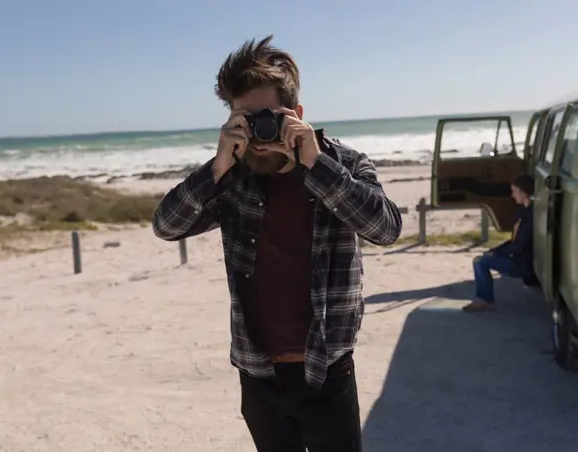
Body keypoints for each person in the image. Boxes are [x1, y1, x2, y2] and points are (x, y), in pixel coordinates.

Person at [152, 35, 402, 451]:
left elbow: (386, 229)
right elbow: (166, 225)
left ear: (297, 114)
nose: (259, 131)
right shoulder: (232, 178)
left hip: (328, 369)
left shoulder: (345, 165)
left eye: (269, 116)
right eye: (245, 118)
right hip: (258, 373)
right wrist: (215, 168)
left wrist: (314, 164)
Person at [462, 173, 535, 312]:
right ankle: (484, 299)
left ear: (524, 193)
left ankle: (485, 300)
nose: (512, 195)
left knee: (481, 262)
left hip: (522, 264)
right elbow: (514, 240)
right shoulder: (524, 211)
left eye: (515, 191)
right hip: (516, 257)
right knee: (481, 259)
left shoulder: (530, 216)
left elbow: (520, 246)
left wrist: (497, 253)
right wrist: (494, 250)